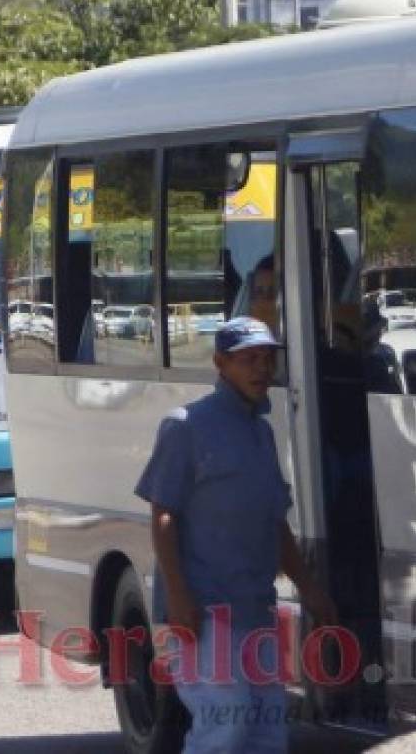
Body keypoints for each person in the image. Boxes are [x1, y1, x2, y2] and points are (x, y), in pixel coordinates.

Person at [134, 316, 336, 754]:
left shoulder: (260, 432)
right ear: (221, 363)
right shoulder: (185, 425)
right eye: (249, 359)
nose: (262, 369)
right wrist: (179, 596)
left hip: (253, 606)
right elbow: (163, 515)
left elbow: (274, 521)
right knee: (227, 719)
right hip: (204, 612)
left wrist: (308, 587)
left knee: (266, 730)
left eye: (267, 358)